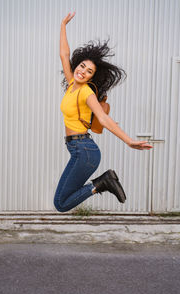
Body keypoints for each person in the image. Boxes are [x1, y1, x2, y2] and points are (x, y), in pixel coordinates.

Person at [54, 12, 153, 212]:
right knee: (61, 201)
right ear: (78, 64)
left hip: (85, 151)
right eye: (82, 66)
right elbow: (64, 54)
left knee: (61, 204)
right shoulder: (72, 83)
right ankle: (102, 182)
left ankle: (103, 183)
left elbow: (103, 118)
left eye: (89, 71)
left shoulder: (86, 92)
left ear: (92, 77)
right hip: (78, 149)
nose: (83, 71)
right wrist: (63, 25)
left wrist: (129, 141)